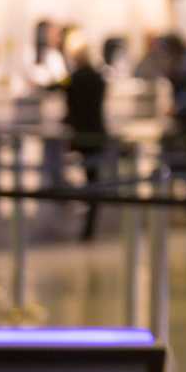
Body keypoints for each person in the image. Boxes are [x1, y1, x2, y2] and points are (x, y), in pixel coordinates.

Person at [60, 28, 108, 241]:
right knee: (93, 177)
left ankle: (88, 225)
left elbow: (61, 90)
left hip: (82, 134)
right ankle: (90, 224)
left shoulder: (74, 79)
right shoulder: (98, 78)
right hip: (97, 132)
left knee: (89, 179)